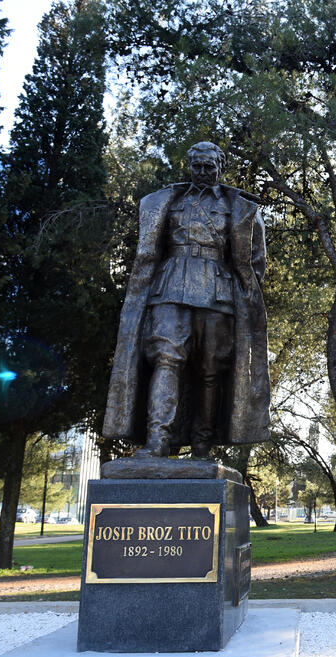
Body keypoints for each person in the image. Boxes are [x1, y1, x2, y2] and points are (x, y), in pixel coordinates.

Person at [103, 141, 270, 457]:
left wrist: (241, 295)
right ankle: (157, 440)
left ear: (220, 168)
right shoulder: (166, 201)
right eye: (198, 166)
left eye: (210, 166)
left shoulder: (241, 208)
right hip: (170, 287)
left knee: (209, 370)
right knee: (165, 360)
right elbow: (150, 249)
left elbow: (256, 259)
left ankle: (202, 443)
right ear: (189, 167)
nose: (203, 172)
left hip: (217, 295)